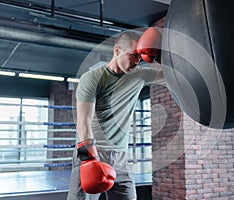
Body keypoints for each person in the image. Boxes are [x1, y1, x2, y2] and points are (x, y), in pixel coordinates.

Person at [67, 30, 163, 200]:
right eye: (133, 55)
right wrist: (91, 159)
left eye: (140, 57)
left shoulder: (139, 76)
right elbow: (83, 122)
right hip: (94, 152)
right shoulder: (92, 78)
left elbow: (172, 75)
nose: (136, 62)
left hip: (120, 157)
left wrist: (159, 56)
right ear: (117, 50)